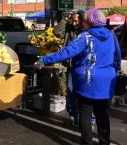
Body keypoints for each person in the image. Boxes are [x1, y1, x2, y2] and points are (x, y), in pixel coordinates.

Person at [35, 8, 121, 145]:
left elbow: (67, 52)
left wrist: (44, 60)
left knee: (85, 112)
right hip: (106, 81)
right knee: (102, 114)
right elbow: (117, 55)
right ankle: (104, 142)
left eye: (86, 19)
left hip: (88, 80)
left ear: (90, 22)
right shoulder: (111, 35)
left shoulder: (84, 36)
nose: (84, 21)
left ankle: (87, 142)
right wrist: (113, 70)